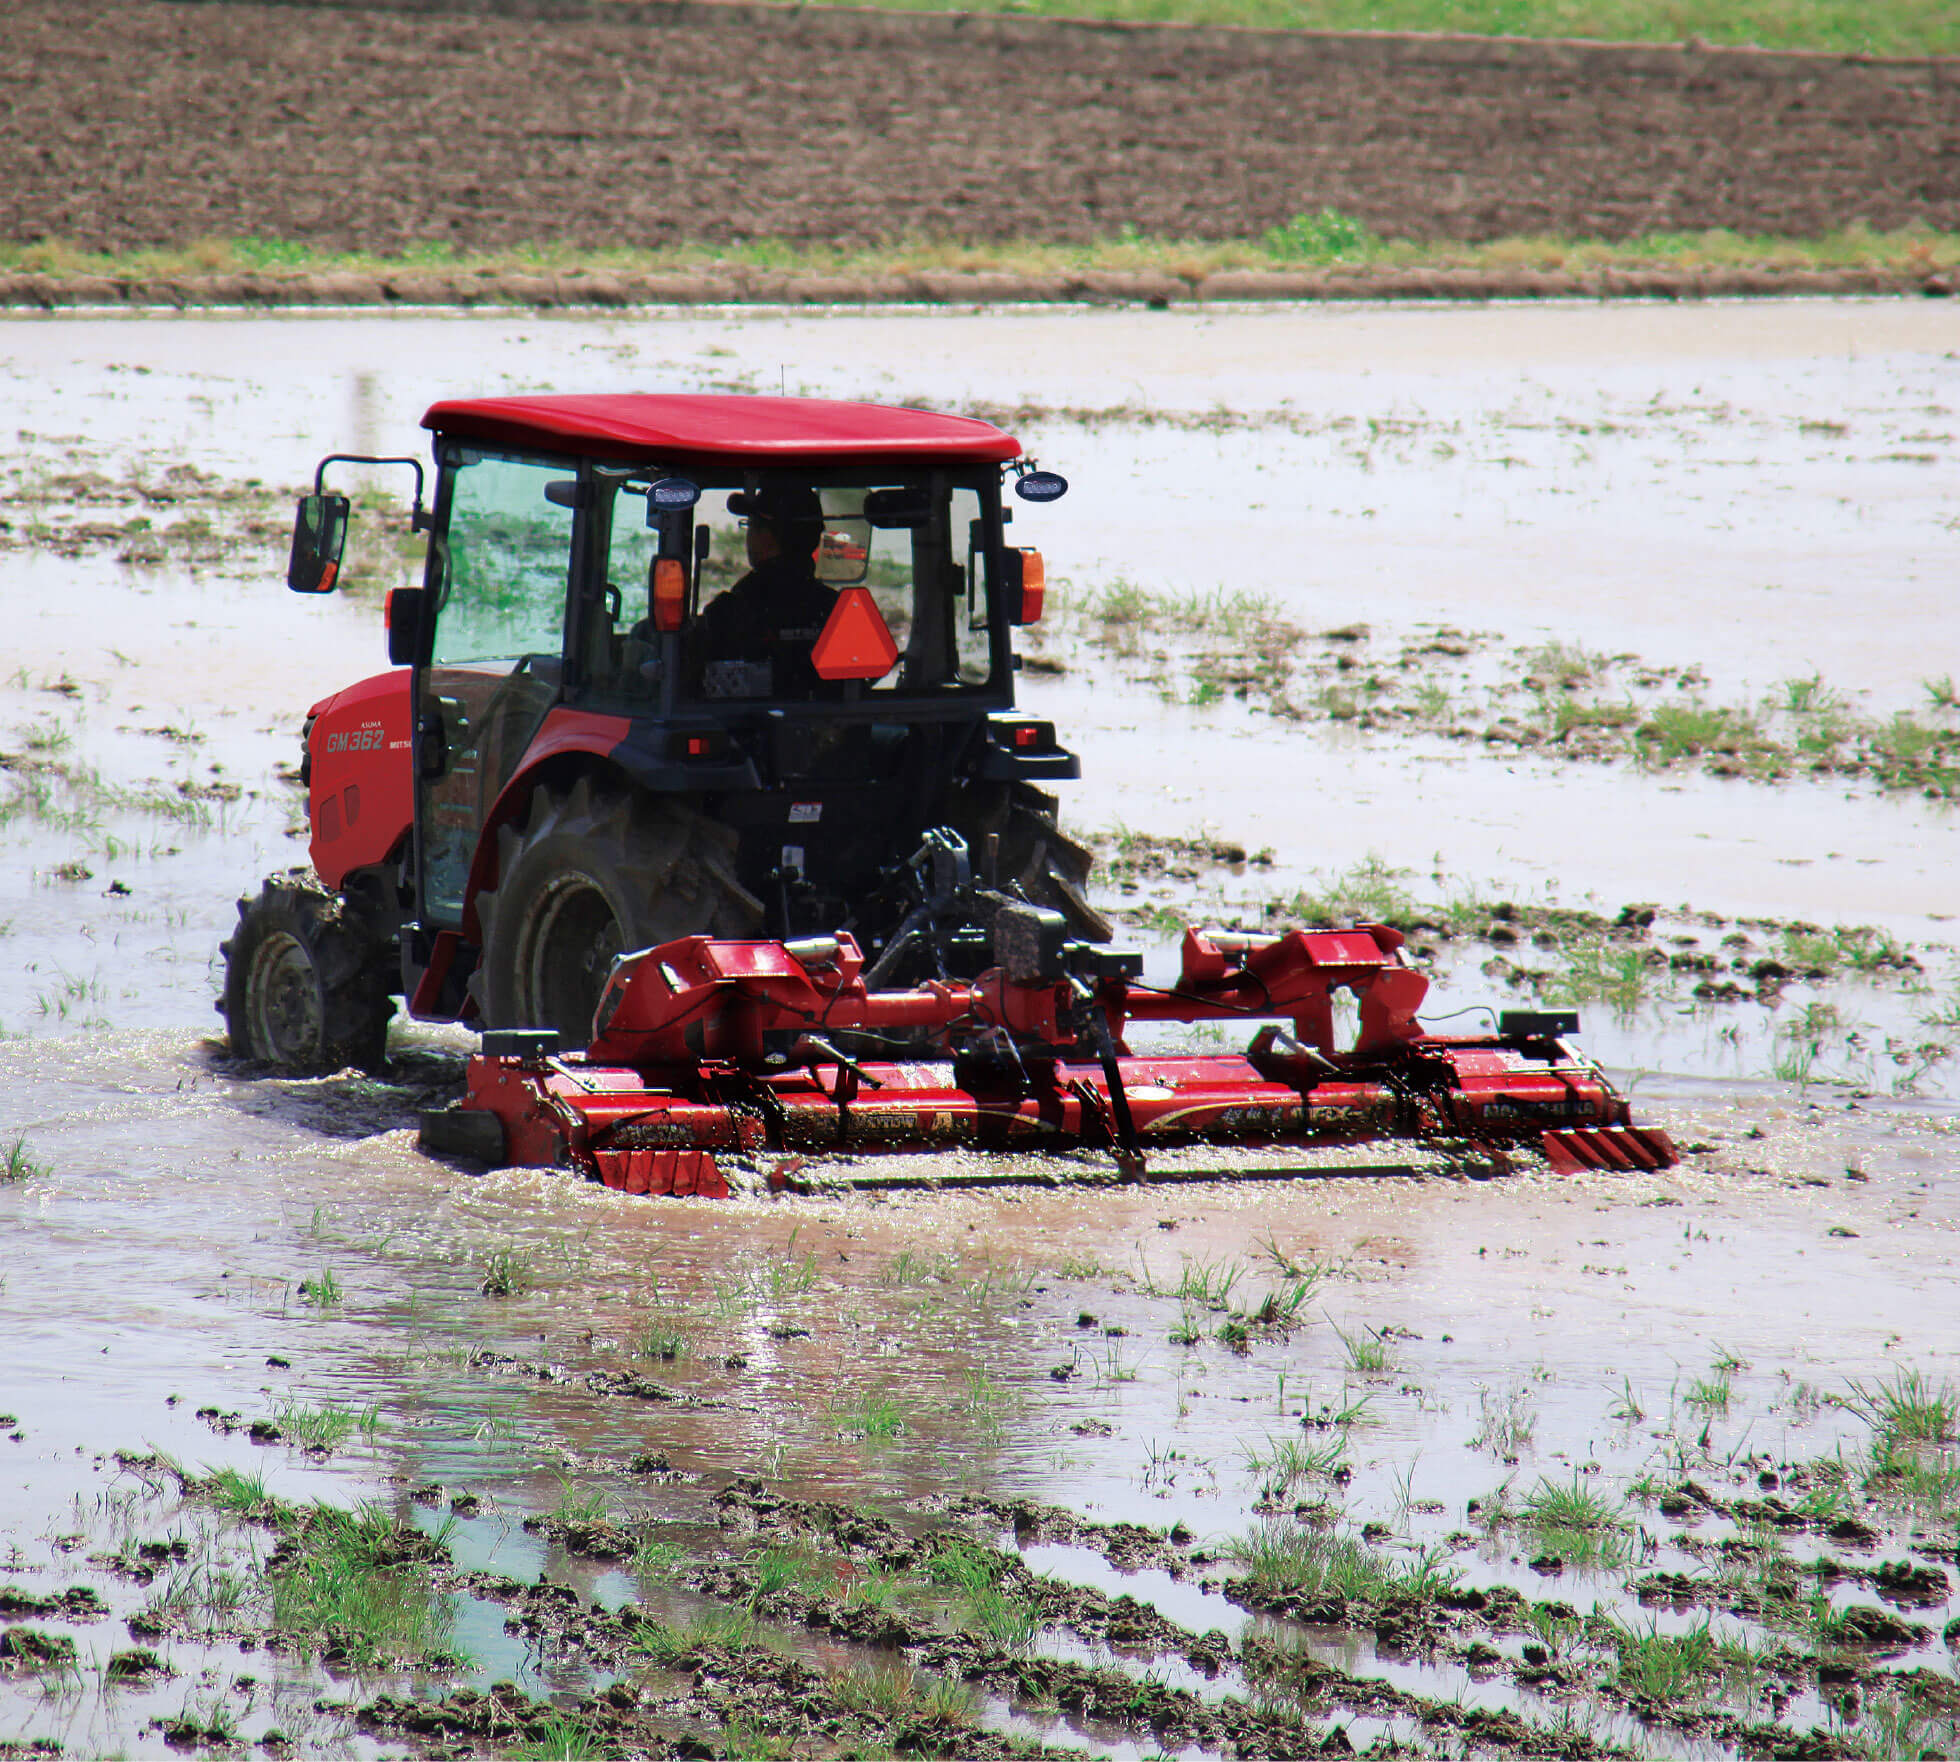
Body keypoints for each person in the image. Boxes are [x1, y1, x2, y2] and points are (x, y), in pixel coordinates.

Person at [692, 484, 837, 698]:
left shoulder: (729, 612)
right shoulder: (836, 610)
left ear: (767, 536)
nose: (749, 536)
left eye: (751, 525)